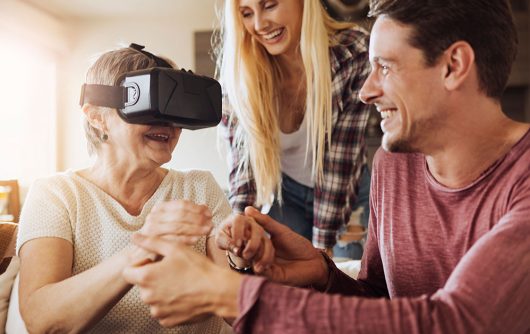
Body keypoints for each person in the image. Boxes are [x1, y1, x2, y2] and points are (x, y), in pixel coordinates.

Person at [122, 0, 530, 332]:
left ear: (454, 65)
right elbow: (378, 299)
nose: (367, 91)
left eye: (385, 67)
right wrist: (323, 272)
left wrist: (226, 293)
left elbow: (460, 322)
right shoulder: (392, 167)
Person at [14, 45, 237, 333]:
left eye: (173, 106)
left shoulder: (199, 187)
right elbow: (41, 320)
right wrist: (141, 248)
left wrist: (245, 261)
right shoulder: (56, 194)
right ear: (96, 116)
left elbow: (237, 309)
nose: (168, 122)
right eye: (149, 103)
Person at [216, 0, 372, 258]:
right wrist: (242, 222)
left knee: (347, 275)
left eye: (270, 5)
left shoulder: (352, 51)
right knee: (288, 281)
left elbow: (338, 163)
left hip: (348, 194)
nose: (259, 24)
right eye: (246, 14)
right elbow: (244, 166)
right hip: (286, 196)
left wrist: (323, 252)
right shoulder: (238, 76)